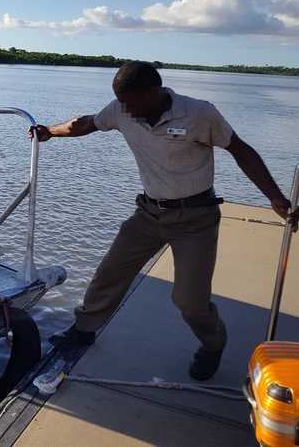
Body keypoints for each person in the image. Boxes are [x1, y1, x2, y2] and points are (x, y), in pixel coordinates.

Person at [30, 61, 299, 380]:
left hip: (195, 218)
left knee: (190, 302)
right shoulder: (122, 109)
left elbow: (240, 150)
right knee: (109, 273)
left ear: (155, 92)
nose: (125, 110)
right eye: (122, 103)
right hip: (149, 213)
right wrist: (50, 132)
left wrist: (275, 197)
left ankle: (213, 344)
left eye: (131, 102)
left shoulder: (199, 113)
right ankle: (84, 329)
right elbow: (85, 124)